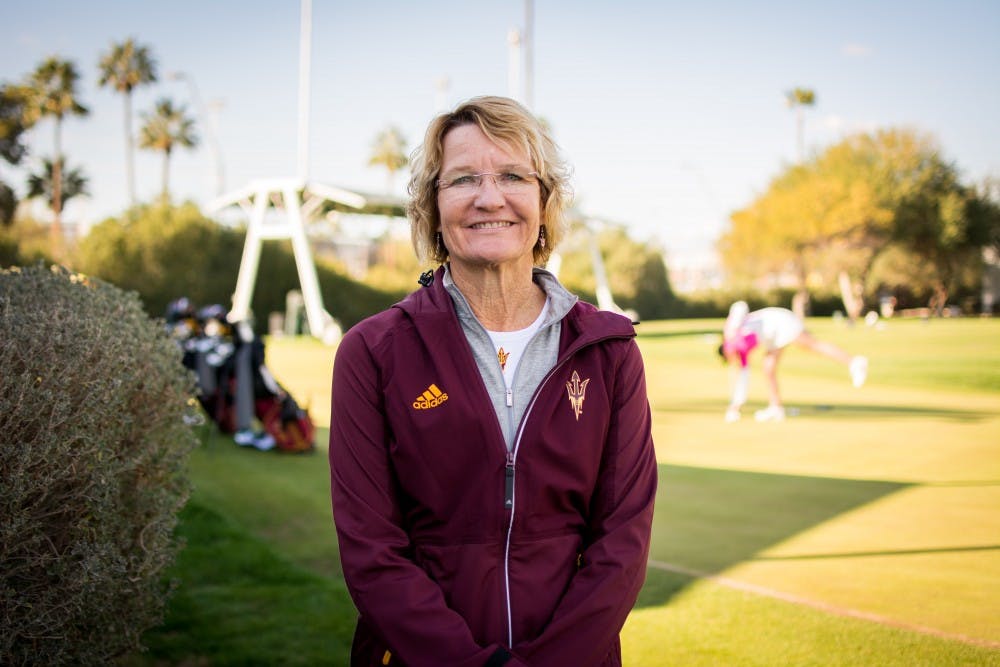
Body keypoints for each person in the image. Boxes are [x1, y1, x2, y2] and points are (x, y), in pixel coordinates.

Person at [328, 96, 657, 667]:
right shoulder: (372, 352)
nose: (489, 197)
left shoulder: (608, 351)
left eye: (512, 176)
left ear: (544, 202)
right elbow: (372, 554)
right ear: (433, 208)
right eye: (463, 179)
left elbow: (621, 547)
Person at [719, 300, 868, 422]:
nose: (733, 360)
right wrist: (735, 407)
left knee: (812, 345)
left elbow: (740, 306)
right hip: (773, 335)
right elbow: (744, 377)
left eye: (729, 357)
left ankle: (854, 362)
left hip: (781, 321)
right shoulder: (741, 351)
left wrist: (733, 327)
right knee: (768, 369)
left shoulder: (731, 333)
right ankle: (776, 408)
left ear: (725, 350)